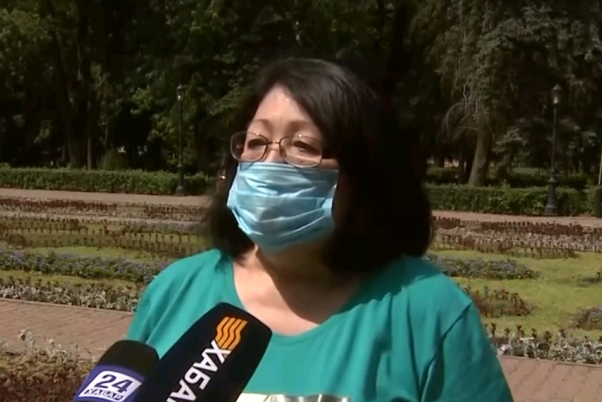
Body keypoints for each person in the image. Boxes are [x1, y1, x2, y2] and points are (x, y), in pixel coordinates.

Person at [126, 57, 514, 402]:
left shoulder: (430, 313)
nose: (270, 162)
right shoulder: (176, 291)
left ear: (363, 177)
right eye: (256, 142)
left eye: (304, 146)